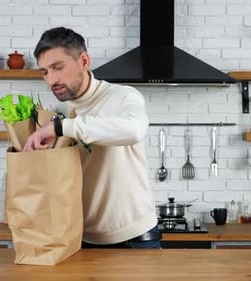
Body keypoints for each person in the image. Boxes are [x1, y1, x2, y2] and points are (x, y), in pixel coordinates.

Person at [23, 27, 161, 248]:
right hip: (79, 239)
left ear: (84, 61)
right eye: (44, 72)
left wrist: (61, 128)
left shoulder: (122, 97)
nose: (51, 80)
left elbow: (134, 129)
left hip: (134, 240)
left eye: (57, 67)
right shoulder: (56, 112)